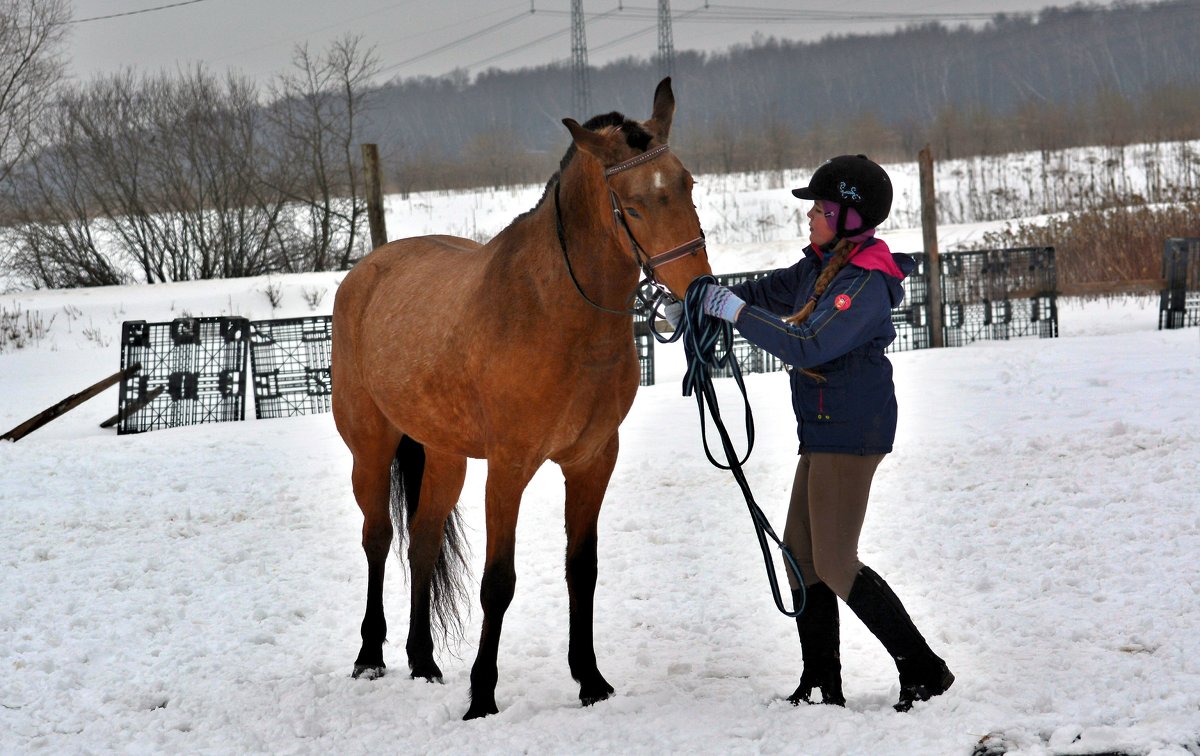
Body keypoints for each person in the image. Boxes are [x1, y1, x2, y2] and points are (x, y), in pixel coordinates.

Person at [676, 154, 953, 712]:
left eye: (820, 209)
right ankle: (821, 680)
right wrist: (704, 297)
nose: (810, 217)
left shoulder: (864, 282)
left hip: (852, 432)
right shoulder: (820, 267)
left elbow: (809, 345)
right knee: (801, 555)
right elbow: (768, 293)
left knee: (834, 560)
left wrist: (732, 313)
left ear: (848, 217)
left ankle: (924, 669)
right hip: (824, 428)